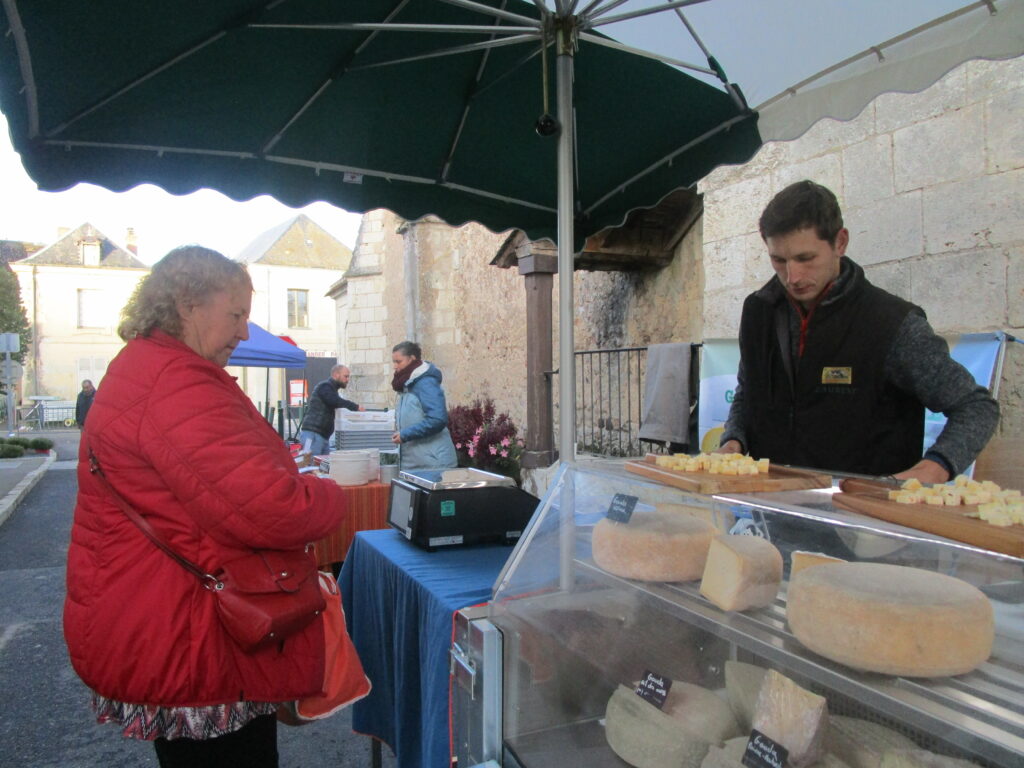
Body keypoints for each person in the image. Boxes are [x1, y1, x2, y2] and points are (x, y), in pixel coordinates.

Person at [64, 246, 350, 768]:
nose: (244, 331)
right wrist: (332, 496)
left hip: (161, 611)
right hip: (192, 628)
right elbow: (271, 509)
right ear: (188, 305)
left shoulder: (148, 367)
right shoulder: (176, 382)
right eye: (236, 314)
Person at [719, 180, 998, 483]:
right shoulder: (758, 312)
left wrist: (936, 466)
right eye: (779, 260)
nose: (793, 277)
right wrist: (734, 440)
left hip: (862, 518)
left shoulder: (891, 324)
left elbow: (976, 407)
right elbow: (749, 391)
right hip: (769, 508)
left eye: (805, 258)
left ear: (840, 242)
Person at [390, 340, 457, 471]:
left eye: (398, 362)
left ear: (412, 359)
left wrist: (405, 434)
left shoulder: (426, 383)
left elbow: (437, 419)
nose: (394, 366)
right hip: (417, 463)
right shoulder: (406, 385)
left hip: (433, 464)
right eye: (393, 362)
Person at [297, 364, 364, 456]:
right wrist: (355, 407)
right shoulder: (325, 386)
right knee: (310, 464)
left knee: (322, 466)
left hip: (322, 436)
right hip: (313, 434)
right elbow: (334, 401)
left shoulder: (331, 389)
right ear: (336, 375)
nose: (347, 380)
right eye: (345, 376)